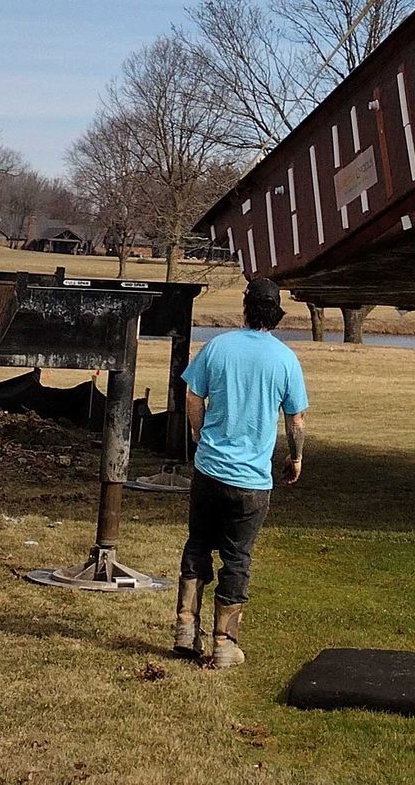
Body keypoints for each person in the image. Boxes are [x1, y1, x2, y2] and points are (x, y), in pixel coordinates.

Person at [174, 274, 308, 669]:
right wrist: (296, 457)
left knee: (197, 545)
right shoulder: (285, 358)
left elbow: (193, 396)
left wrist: (199, 435)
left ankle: (185, 629)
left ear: (246, 308)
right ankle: (224, 643)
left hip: (209, 472)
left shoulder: (217, 348)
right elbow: (295, 420)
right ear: (277, 315)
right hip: (251, 482)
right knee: (237, 558)